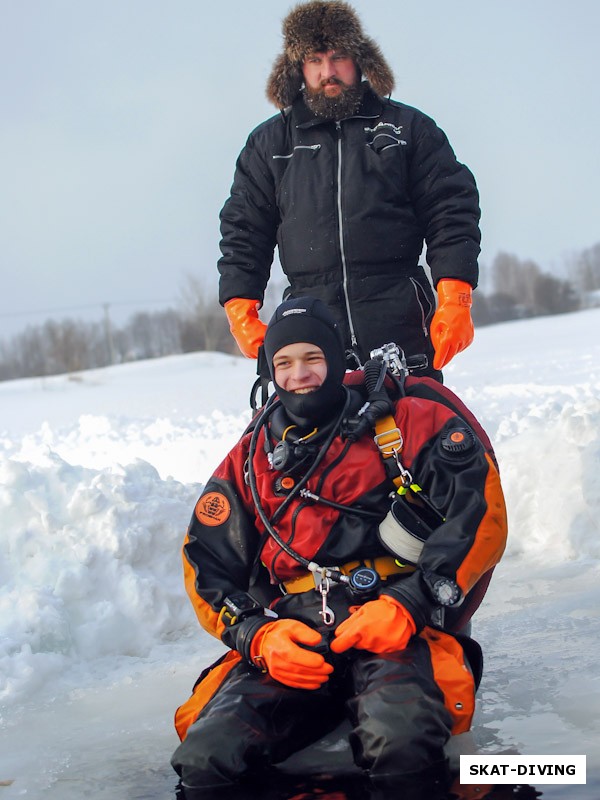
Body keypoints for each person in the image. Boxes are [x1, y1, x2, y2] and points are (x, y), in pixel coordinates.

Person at [171, 296, 507, 795]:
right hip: (295, 632)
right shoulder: (251, 456)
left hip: (393, 623)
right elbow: (206, 560)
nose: (298, 374)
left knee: (400, 745)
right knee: (206, 759)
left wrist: (410, 604)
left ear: (336, 360)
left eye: (312, 358)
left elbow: (477, 516)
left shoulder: (408, 422)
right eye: (283, 363)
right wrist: (256, 637)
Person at [219, 0, 481, 381]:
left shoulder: (408, 129)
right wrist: (240, 308)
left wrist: (456, 295)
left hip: (400, 317)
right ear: (298, 68)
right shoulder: (269, 143)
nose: (328, 71)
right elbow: (244, 229)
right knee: (320, 441)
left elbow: (451, 209)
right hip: (312, 328)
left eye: (338, 57)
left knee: (416, 434)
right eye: (314, 60)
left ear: (360, 60)